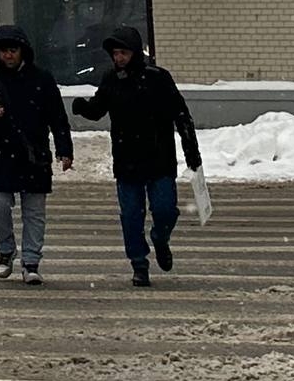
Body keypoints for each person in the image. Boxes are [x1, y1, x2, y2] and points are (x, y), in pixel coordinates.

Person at [72, 25, 201, 288]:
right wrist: (83, 108)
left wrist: (191, 150)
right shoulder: (110, 79)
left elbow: (181, 114)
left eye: (123, 52)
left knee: (165, 210)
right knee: (131, 215)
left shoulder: (158, 78)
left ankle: (160, 237)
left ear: (134, 52)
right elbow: (98, 109)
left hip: (159, 157)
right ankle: (139, 264)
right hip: (126, 158)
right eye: (115, 53)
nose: (118, 58)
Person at [0, 23, 71, 283]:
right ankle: (6, 249)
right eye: (3, 51)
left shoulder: (41, 78)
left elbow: (57, 116)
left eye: (12, 50)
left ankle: (31, 261)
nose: (8, 56)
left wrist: (64, 148)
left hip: (33, 152)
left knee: (34, 211)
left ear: (22, 51)